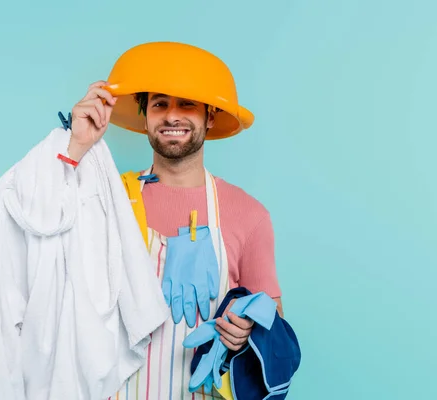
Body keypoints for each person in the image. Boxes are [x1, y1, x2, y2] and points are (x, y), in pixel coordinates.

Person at [66, 42, 284, 399]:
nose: (171, 116)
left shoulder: (249, 214)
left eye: (187, 104)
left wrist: (247, 328)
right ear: (145, 115)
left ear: (210, 117)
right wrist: (77, 144)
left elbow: (273, 317)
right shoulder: (107, 199)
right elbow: (43, 235)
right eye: (159, 104)